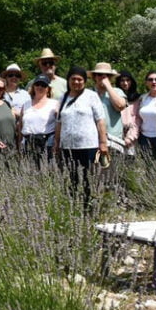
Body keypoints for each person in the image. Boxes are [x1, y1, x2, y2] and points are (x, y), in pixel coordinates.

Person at [54, 66, 108, 208]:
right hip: (67, 146)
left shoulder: (91, 96)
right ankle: (74, 207)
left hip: (88, 146)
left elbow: (100, 120)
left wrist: (103, 142)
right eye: (73, 79)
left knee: (88, 178)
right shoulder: (63, 97)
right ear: (68, 80)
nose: (76, 82)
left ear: (84, 81)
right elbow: (59, 122)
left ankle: (89, 208)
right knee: (71, 179)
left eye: (80, 79)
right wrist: (56, 143)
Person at [19, 75, 59, 164]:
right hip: (28, 142)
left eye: (43, 85)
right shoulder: (26, 104)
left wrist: (56, 143)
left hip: (46, 142)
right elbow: (21, 127)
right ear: (33, 86)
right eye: (37, 84)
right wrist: (19, 144)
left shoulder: (54, 104)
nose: (40, 87)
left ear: (48, 88)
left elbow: (59, 125)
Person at [89, 63, 127, 154]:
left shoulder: (117, 91)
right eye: (100, 75)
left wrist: (108, 86)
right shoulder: (89, 93)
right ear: (94, 77)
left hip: (114, 139)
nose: (103, 77)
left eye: (107, 75)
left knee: (115, 168)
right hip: (93, 139)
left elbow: (120, 106)